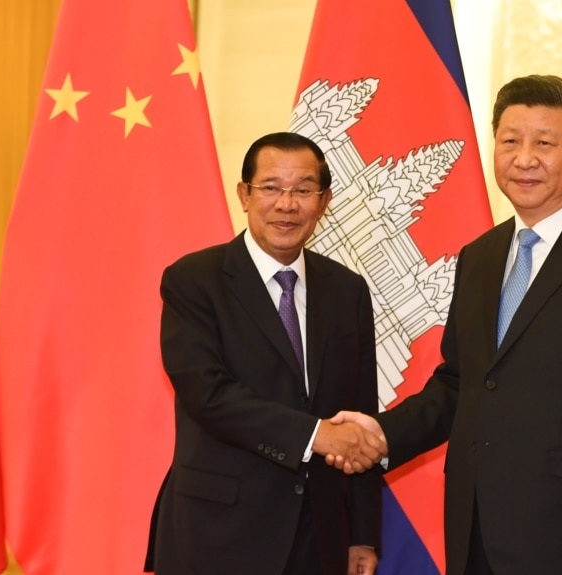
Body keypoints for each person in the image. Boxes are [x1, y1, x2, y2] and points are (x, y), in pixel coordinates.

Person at [330, 75, 562, 575]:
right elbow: (463, 382)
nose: (524, 159)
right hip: (475, 523)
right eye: (510, 141)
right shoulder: (479, 256)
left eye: (545, 143)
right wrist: (381, 432)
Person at [146, 132, 386, 575]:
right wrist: (315, 435)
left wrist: (362, 533)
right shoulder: (194, 280)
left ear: (324, 200)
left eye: (303, 190)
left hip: (321, 537)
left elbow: (359, 413)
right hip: (218, 533)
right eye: (271, 187)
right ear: (245, 194)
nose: (286, 204)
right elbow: (208, 394)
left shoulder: (346, 289)